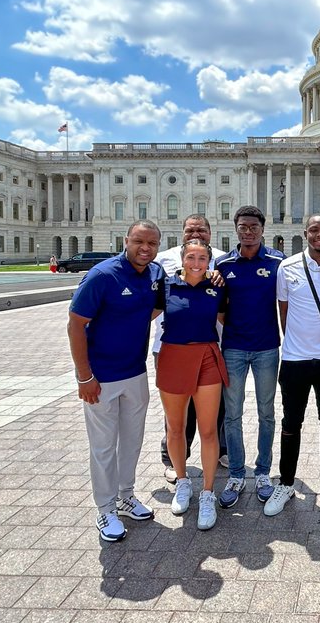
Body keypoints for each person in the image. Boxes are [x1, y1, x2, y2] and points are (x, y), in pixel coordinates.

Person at [67, 220, 165, 542]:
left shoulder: (155, 274)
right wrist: (85, 376)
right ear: (126, 241)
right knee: (104, 446)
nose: (145, 248)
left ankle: (126, 496)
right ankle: (105, 508)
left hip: (135, 372)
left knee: (132, 441)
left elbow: (154, 308)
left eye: (152, 243)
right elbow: (75, 325)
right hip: (102, 377)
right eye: (139, 242)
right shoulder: (102, 275)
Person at [264, 214, 320, 516]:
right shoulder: (287, 267)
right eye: (314, 230)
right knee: (291, 424)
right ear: (305, 234)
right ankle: (286, 483)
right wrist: (296, 341)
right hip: (295, 359)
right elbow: (284, 310)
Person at [155, 238, 229, 531]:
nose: (196, 263)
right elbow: (141, 314)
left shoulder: (218, 286)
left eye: (202, 258)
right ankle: (183, 482)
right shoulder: (166, 285)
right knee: (175, 428)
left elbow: (228, 319)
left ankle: (208, 492)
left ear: (209, 261)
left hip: (207, 356)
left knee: (208, 429)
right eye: (191, 257)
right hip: (173, 356)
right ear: (182, 259)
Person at [214, 205, 285, 509]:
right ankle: (236, 474)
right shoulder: (223, 264)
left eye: (253, 226)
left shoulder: (278, 262)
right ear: (236, 229)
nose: (248, 231)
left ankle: (264, 472)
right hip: (233, 348)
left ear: (262, 229)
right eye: (243, 227)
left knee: (266, 412)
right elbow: (217, 307)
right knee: (232, 414)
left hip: (267, 347)